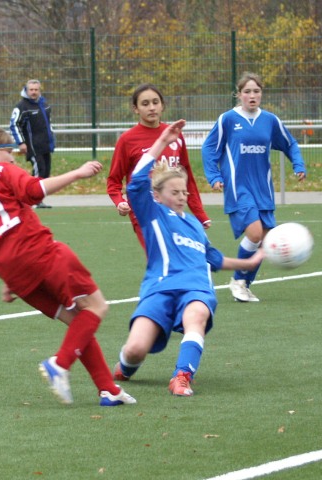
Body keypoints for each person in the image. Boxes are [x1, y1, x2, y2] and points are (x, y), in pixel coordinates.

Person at [0, 126, 135, 407]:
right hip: (41, 253)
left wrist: (8, 278)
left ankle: (108, 389)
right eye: (9, 151)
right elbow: (34, 190)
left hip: (18, 275)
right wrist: (77, 173)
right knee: (97, 307)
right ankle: (59, 365)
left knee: (77, 322)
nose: (13, 158)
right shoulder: (0, 172)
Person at [112, 119, 264, 396]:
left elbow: (214, 259)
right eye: (175, 192)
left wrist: (249, 263)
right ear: (156, 195)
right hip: (160, 287)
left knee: (197, 315)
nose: (182, 197)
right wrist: (162, 142)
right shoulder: (152, 212)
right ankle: (126, 367)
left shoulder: (194, 224)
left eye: (184, 192)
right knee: (135, 350)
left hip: (196, 288)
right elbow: (135, 182)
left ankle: (182, 376)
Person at [201, 72, 307, 302]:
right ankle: (238, 281)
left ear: (261, 94)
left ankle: (244, 284)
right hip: (239, 188)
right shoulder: (227, 120)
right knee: (255, 233)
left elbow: (290, 144)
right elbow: (209, 149)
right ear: (238, 95)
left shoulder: (270, 120)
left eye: (256, 91)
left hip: (264, 189)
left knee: (267, 240)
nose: (252, 95)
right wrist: (214, 176)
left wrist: (298, 164)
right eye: (247, 91)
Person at [107, 83, 210, 249]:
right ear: (136, 109)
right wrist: (120, 202)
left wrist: (199, 213)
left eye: (155, 102)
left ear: (163, 105)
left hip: (173, 209)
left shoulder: (174, 134)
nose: (152, 107)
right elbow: (113, 181)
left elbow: (187, 176)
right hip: (144, 212)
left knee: (180, 259)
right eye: (145, 104)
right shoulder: (127, 140)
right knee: (161, 259)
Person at [9, 79, 55, 208]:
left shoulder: (44, 104)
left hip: (45, 145)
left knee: (45, 173)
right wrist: (21, 142)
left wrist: (52, 139)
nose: (34, 92)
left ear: (39, 90)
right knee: (38, 172)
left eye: (36, 90)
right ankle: (32, 200)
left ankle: (38, 199)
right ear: (26, 90)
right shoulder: (22, 106)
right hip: (33, 146)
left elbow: (49, 124)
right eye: (31, 90)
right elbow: (14, 124)